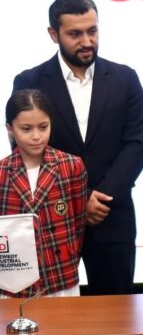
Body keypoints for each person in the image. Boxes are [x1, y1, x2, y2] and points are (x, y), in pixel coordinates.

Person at [13, 0, 143, 295]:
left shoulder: (125, 78)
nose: (87, 41)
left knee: (117, 308)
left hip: (111, 214)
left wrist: (101, 196)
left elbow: (138, 143)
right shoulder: (29, 82)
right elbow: (27, 151)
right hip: (52, 218)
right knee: (51, 310)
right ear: (53, 34)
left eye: (92, 31)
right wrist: (80, 198)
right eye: (75, 34)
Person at [0, 89, 88, 297]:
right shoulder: (2, 172)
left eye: (43, 127)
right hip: (14, 280)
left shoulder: (71, 165)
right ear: (10, 129)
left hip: (60, 275)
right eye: (26, 129)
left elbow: (78, 223)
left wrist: (68, 257)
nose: (36, 136)